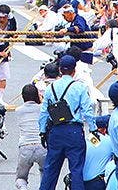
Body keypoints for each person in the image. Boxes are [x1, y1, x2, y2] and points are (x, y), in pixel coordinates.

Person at [38, 54, 97, 190]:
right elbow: (87, 111)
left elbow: (44, 113)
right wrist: (93, 128)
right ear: (74, 70)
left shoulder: (50, 88)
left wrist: (42, 131)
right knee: (76, 169)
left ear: (60, 70)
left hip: (55, 130)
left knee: (51, 169)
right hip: (74, 130)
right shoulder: (80, 87)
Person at [15, 84, 47, 189]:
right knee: (45, 173)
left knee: (21, 178)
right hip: (42, 146)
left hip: (25, 146)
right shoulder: (42, 108)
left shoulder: (18, 110)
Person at [84, 115, 115, 190]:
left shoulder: (86, 139)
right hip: (97, 183)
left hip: (81, 182)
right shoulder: (109, 140)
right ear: (104, 129)